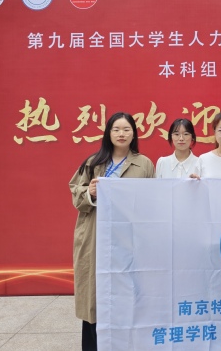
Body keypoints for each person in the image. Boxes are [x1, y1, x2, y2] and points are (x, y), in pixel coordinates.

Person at [69, 112, 155, 351]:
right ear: (108, 133)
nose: (121, 134)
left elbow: (152, 201)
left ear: (134, 134)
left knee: (127, 293)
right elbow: (76, 193)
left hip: (129, 239)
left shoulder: (144, 164)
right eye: (116, 129)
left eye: (126, 129)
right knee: (95, 296)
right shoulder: (94, 162)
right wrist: (90, 193)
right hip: (96, 237)